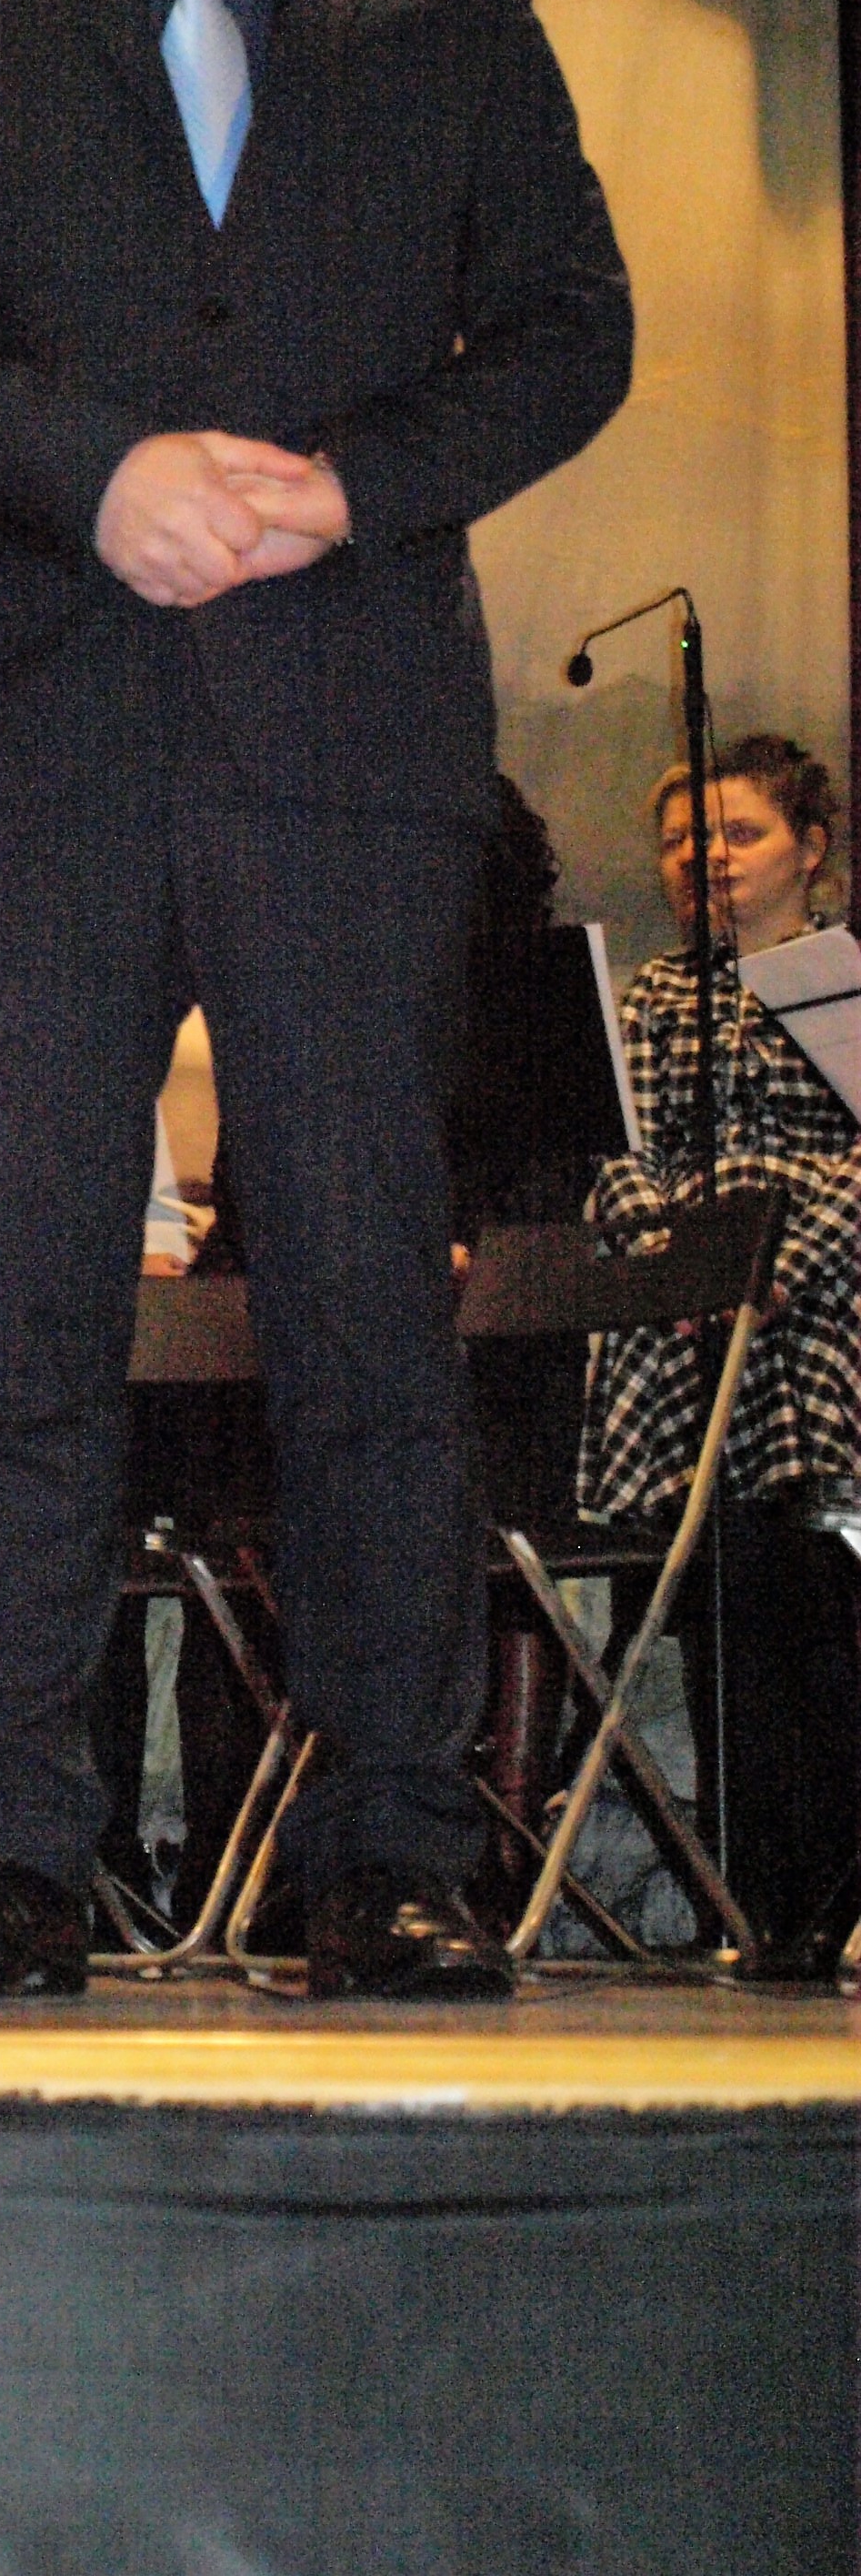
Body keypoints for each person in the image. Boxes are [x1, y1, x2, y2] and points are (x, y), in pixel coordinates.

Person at [0, 0, 632, 2000]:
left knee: (367, 1302)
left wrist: (350, 488)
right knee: (27, 1312)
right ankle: (1, 1848)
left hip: (350, 746)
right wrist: (100, 478)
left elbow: (570, 329)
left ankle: (395, 1848)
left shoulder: (458, 25)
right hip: (47, 743)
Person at [578, 735, 859, 1967]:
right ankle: (754, 1898)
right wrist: (683, 1267)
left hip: (821, 1319)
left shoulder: (846, 984)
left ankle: (829, 1889)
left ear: (812, 848)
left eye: (739, 833)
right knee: (721, 1597)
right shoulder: (650, 998)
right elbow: (617, 1156)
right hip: (685, 1329)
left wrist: (776, 1256)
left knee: (816, 1591)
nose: (706, 857)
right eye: (683, 840)